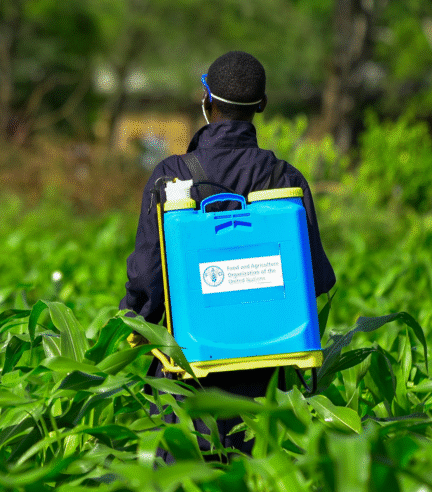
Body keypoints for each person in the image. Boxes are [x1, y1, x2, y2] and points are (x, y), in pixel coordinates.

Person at [119, 50, 336, 463]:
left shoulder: (172, 176)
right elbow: (319, 280)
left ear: (206, 98)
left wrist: (133, 326)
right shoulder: (285, 179)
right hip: (268, 387)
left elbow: (147, 278)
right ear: (262, 106)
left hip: (188, 381)